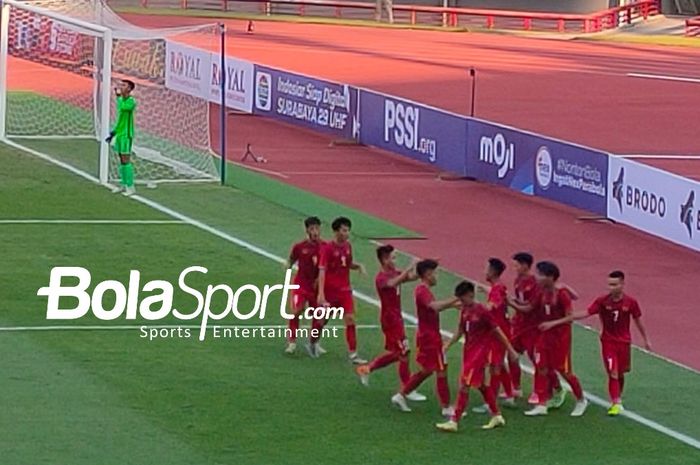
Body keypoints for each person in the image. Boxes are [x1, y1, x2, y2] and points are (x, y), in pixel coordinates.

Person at [540, 270, 651, 416]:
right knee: (613, 372)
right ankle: (616, 402)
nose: (611, 288)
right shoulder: (603, 301)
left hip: (624, 343)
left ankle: (617, 398)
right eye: (609, 284)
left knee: (621, 373)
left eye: (614, 284)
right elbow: (586, 312)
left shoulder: (631, 302)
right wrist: (561, 320)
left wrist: (645, 339)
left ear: (622, 284)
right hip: (608, 342)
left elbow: (638, 320)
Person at [436, 281, 518, 432]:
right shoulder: (465, 311)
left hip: (479, 355)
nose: (461, 302)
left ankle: (454, 421)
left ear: (470, 295)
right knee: (481, 385)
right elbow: (460, 331)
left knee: (464, 385)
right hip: (468, 353)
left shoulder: (482, 311)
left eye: (462, 298)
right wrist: (447, 345)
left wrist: (511, 350)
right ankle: (497, 415)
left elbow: (497, 331)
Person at [391, 259, 458, 415]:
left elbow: (436, 305)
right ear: (428, 274)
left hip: (428, 336)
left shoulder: (424, 290)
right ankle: (446, 407)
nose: (436, 276)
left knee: (427, 370)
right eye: (435, 273)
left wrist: (457, 304)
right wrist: (456, 298)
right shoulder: (422, 291)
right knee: (441, 369)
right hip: (430, 338)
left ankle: (401, 395)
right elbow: (435, 307)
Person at [524, 261, 588, 417]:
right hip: (544, 337)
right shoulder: (541, 292)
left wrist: (552, 323)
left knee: (564, 371)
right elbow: (529, 308)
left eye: (540, 274)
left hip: (561, 338)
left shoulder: (562, 295)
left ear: (550, 277)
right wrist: (509, 301)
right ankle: (541, 403)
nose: (536, 277)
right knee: (541, 367)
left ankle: (581, 400)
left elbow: (570, 318)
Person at [313, 217, 367, 363]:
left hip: (345, 291)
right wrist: (321, 293)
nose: (347, 233)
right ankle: (313, 342)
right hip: (330, 291)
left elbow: (348, 264)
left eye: (348, 230)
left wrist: (359, 266)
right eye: (344, 230)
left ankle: (353, 353)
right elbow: (322, 270)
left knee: (350, 319)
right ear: (336, 231)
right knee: (321, 321)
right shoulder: (328, 249)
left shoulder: (348, 246)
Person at [284, 216, 323, 354]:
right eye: (312, 228)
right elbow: (291, 259)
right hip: (301, 285)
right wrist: (287, 265)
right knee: (296, 311)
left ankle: (314, 342)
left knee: (318, 317)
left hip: (317, 288)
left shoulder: (325, 247)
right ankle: (292, 342)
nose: (315, 231)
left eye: (317, 228)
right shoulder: (299, 247)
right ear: (307, 230)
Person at [106, 80, 136, 196]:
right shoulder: (123, 100)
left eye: (124, 85)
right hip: (120, 134)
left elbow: (122, 107)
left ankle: (130, 186)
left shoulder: (131, 102)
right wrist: (114, 132)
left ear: (129, 89)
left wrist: (118, 97)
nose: (121, 87)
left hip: (127, 135)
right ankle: (124, 184)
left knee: (125, 160)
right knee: (121, 160)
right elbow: (121, 121)